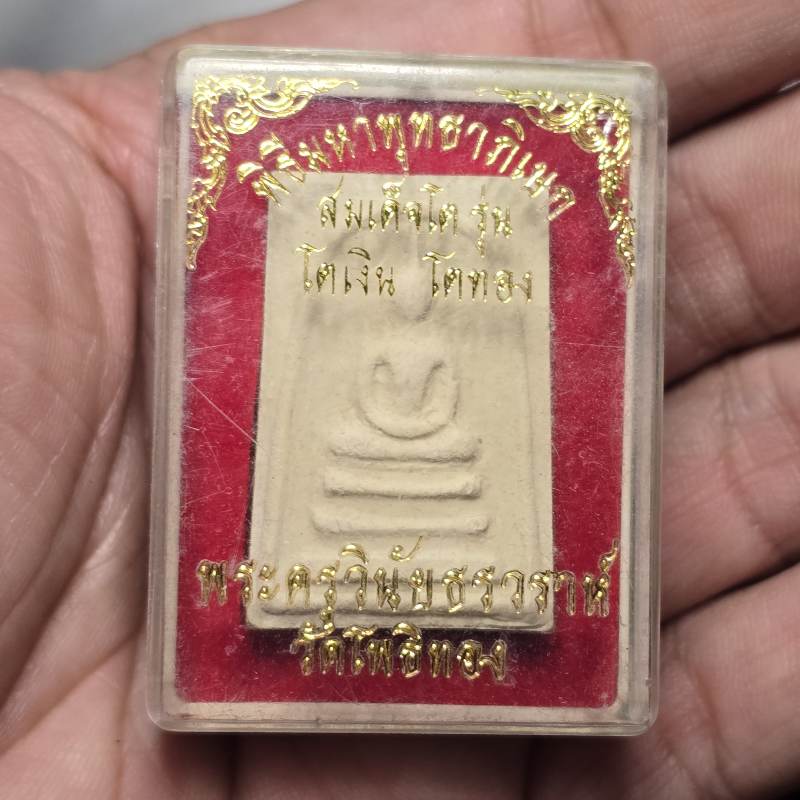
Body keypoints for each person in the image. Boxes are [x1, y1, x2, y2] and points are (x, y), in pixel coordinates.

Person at [0, 1, 798, 797]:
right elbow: (370, 404)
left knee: (454, 456)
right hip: (367, 460)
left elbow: (443, 411)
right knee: (354, 456)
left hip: (437, 462)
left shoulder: (450, 330)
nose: (412, 300)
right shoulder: (360, 314)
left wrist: (422, 430)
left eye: (424, 288)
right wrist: (389, 427)